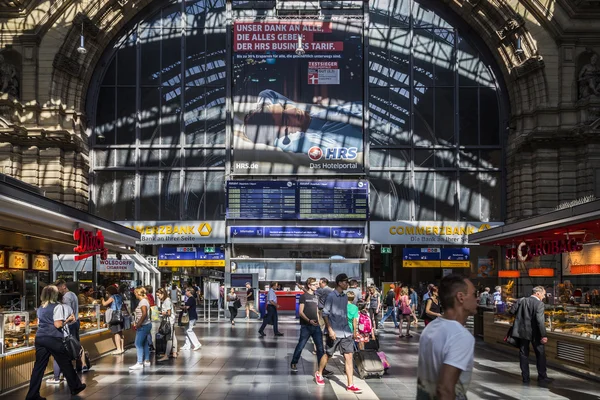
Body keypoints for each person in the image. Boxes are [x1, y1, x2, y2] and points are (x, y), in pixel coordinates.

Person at [417, 274, 478, 399]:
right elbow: (445, 389)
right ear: (460, 297)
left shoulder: (431, 328)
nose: (477, 299)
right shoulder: (460, 336)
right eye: (474, 294)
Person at [25, 285, 86, 400]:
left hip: (40, 338)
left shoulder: (41, 308)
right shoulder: (57, 307)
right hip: (53, 338)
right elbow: (57, 324)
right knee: (65, 362)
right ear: (55, 294)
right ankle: (76, 386)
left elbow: (40, 323)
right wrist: (68, 320)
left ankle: (32, 395)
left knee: (39, 367)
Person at [315, 273, 361, 393]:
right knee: (328, 354)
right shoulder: (331, 296)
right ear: (340, 283)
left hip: (346, 331)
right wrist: (330, 330)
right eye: (345, 282)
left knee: (349, 356)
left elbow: (344, 314)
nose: (347, 284)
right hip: (334, 331)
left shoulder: (345, 297)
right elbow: (325, 314)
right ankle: (319, 373)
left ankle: (350, 384)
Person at [509, 286, 551, 384]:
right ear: (537, 293)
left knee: (523, 355)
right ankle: (542, 377)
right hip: (535, 333)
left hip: (522, 332)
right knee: (540, 354)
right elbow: (540, 321)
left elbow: (511, 311)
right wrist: (544, 335)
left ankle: (525, 377)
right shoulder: (539, 304)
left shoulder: (521, 300)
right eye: (543, 294)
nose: (544, 296)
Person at [290, 277, 325, 372]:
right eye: (314, 284)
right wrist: (309, 321)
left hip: (316, 326)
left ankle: (322, 368)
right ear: (309, 285)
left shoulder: (316, 296)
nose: (317, 286)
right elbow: (300, 312)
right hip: (306, 326)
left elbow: (317, 311)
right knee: (301, 345)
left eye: (317, 284)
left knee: (320, 348)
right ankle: (294, 362)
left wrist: (318, 322)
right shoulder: (303, 297)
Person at [129, 287, 152, 370]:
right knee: (144, 343)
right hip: (146, 324)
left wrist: (138, 324)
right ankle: (147, 360)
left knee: (138, 343)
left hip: (143, 325)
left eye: (135, 293)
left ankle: (139, 362)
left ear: (138, 293)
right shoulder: (144, 301)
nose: (134, 294)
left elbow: (144, 313)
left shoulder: (143, 302)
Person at [102, 285, 125, 355]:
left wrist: (102, 299)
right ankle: (122, 348)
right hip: (120, 315)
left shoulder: (112, 297)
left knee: (116, 333)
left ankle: (118, 349)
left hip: (114, 316)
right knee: (120, 332)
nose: (106, 294)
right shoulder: (120, 296)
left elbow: (104, 304)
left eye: (107, 292)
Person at [156, 288, 177, 361]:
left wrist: (161, 313)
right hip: (171, 320)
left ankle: (166, 355)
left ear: (162, 294)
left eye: (158, 295)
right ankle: (174, 352)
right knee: (173, 336)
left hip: (169, 321)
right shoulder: (167, 300)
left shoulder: (166, 301)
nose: (158, 297)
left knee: (169, 338)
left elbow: (169, 313)